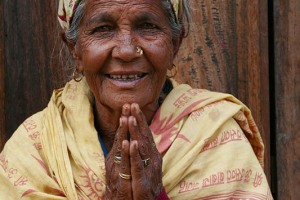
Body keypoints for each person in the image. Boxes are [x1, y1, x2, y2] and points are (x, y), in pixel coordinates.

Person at [0, 0, 273, 199]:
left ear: (174, 45)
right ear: (75, 48)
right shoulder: (36, 148)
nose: (128, 51)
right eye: (103, 29)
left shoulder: (216, 137)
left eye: (148, 26)